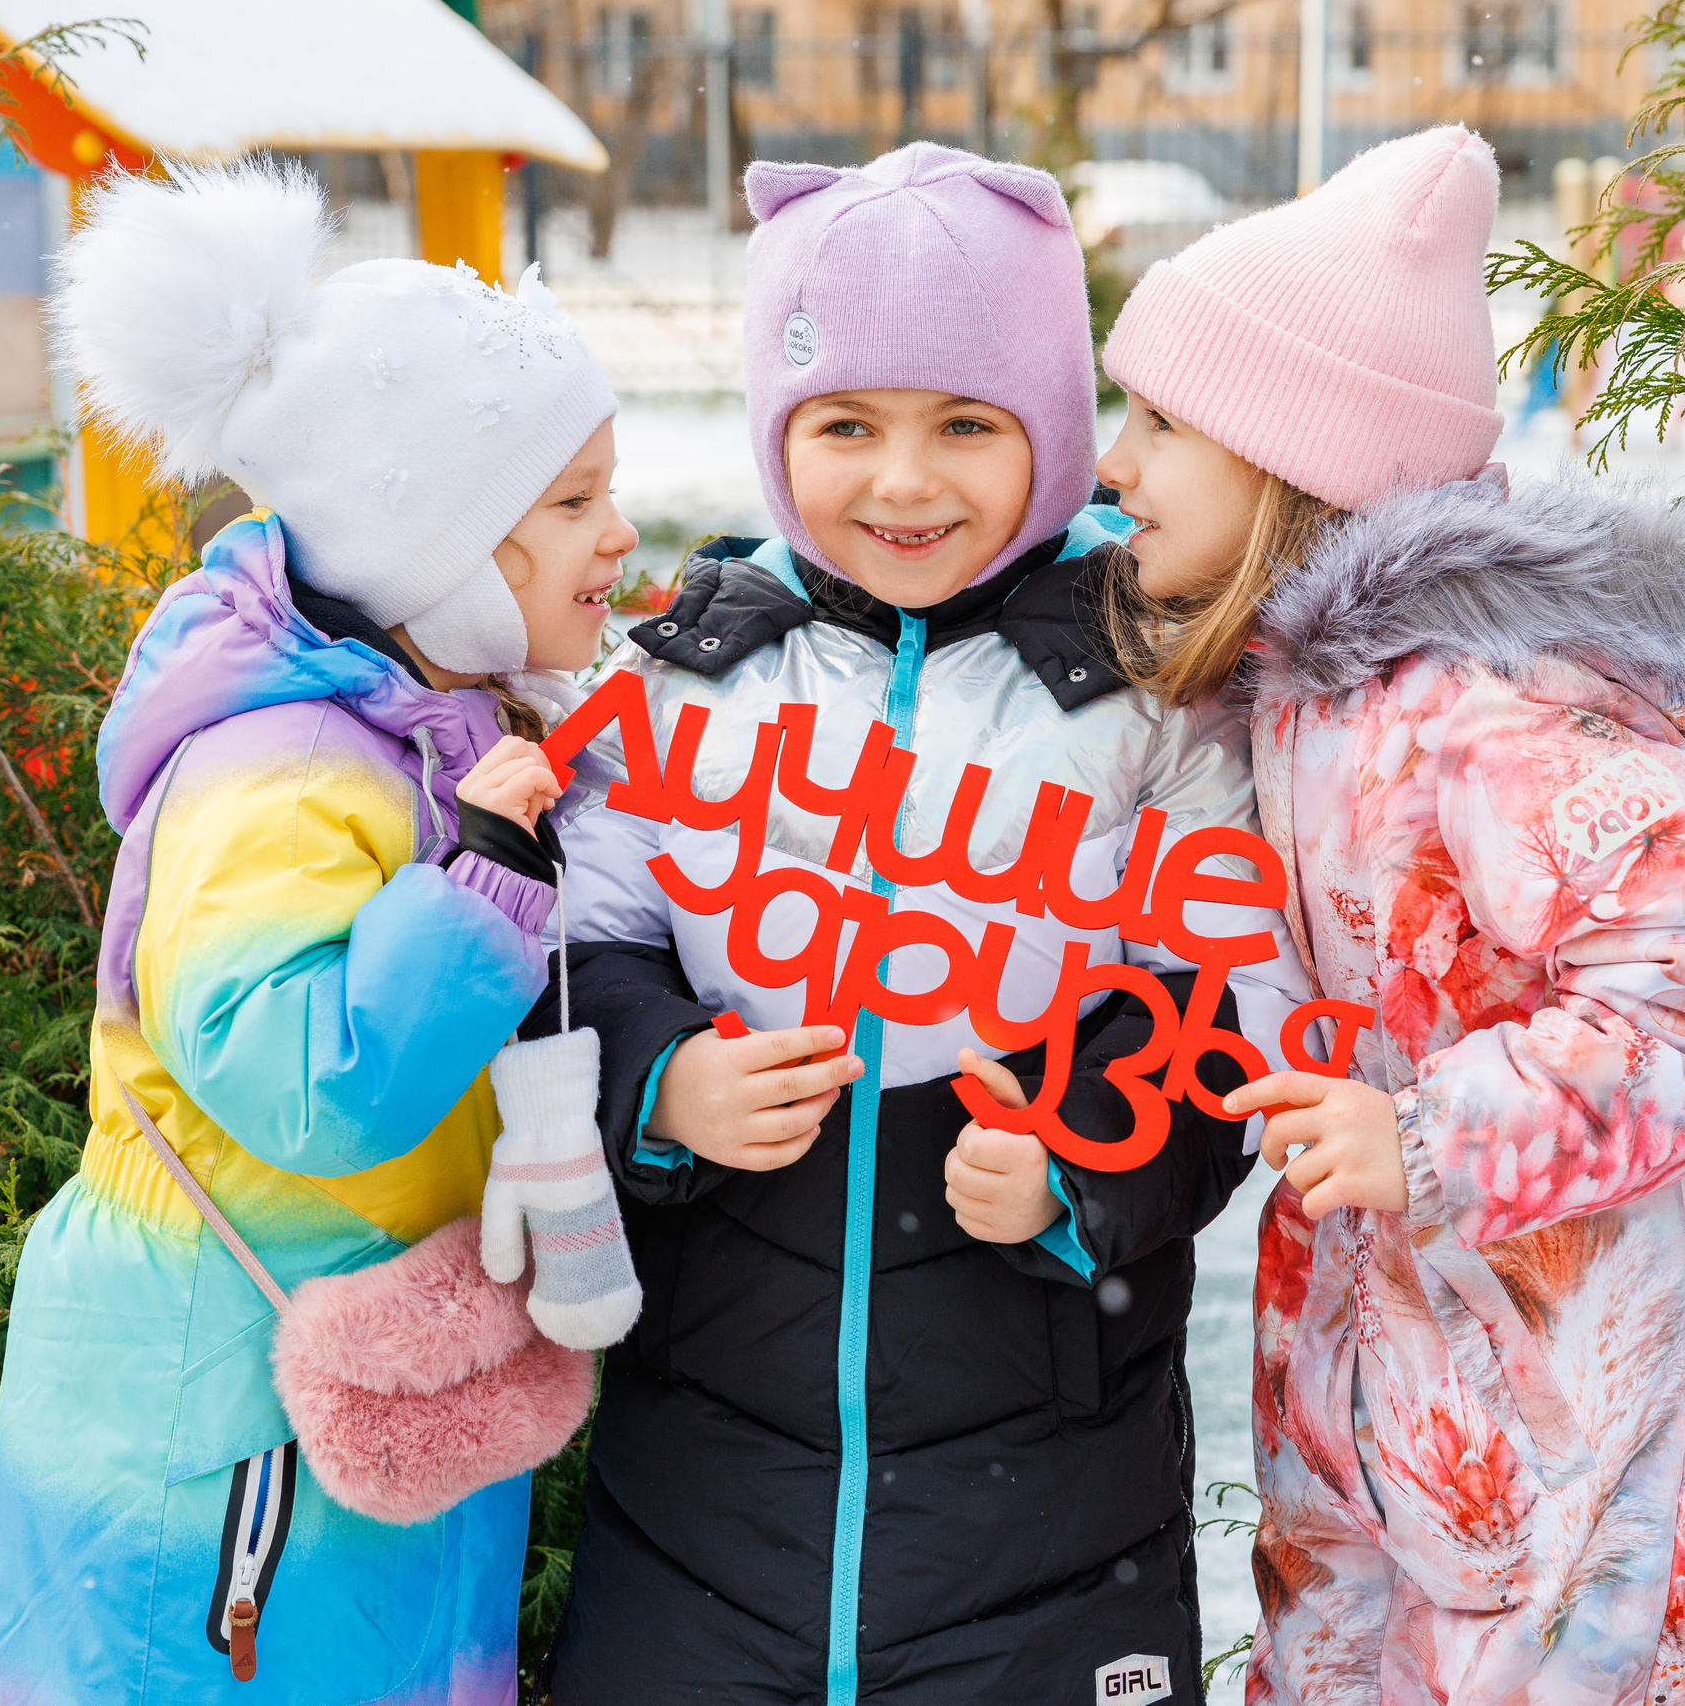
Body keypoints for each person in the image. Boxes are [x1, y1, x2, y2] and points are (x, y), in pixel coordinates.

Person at [536, 142, 1315, 1705]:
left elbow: (1229, 1011)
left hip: (1046, 1512)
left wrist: (1081, 1156)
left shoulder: (1148, 693)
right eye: (846, 426)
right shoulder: (689, 675)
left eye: (968, 425)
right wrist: (661, 1079)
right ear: (778, 431)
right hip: (702, 1504)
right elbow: (580, 950)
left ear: (1059, 432)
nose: (905, 482)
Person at [1094, 125, 1685, 1704]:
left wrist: (1436, 1134)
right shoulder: (1305, 710)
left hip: (1593, 1472)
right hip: (1391, 1418)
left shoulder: (1500, 708)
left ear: (1297, 453)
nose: (1117, 461)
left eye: (1162, 421)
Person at [0, 161, 637, 1705]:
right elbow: (308, 1085)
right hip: (219, 1440)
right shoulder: (279, 773)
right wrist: (479, 881)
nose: (621, 533)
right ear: (441, 547)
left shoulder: (429, 726)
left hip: (337, 1376)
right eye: (576, 502)